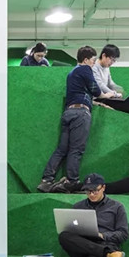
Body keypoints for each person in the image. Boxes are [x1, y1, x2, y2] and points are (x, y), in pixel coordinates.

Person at [36, 46, 102, 194]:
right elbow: (96, 90)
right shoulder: (85, 69)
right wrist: (109, 95)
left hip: (69, 112)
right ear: (86, 60)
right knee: (76, 150)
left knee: (62, 149)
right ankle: (72, 182)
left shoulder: (72, 73)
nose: (94, 63)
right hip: (80, 114)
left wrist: (92, 102)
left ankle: (47, 180)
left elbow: (80, 93)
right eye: (93, 60)